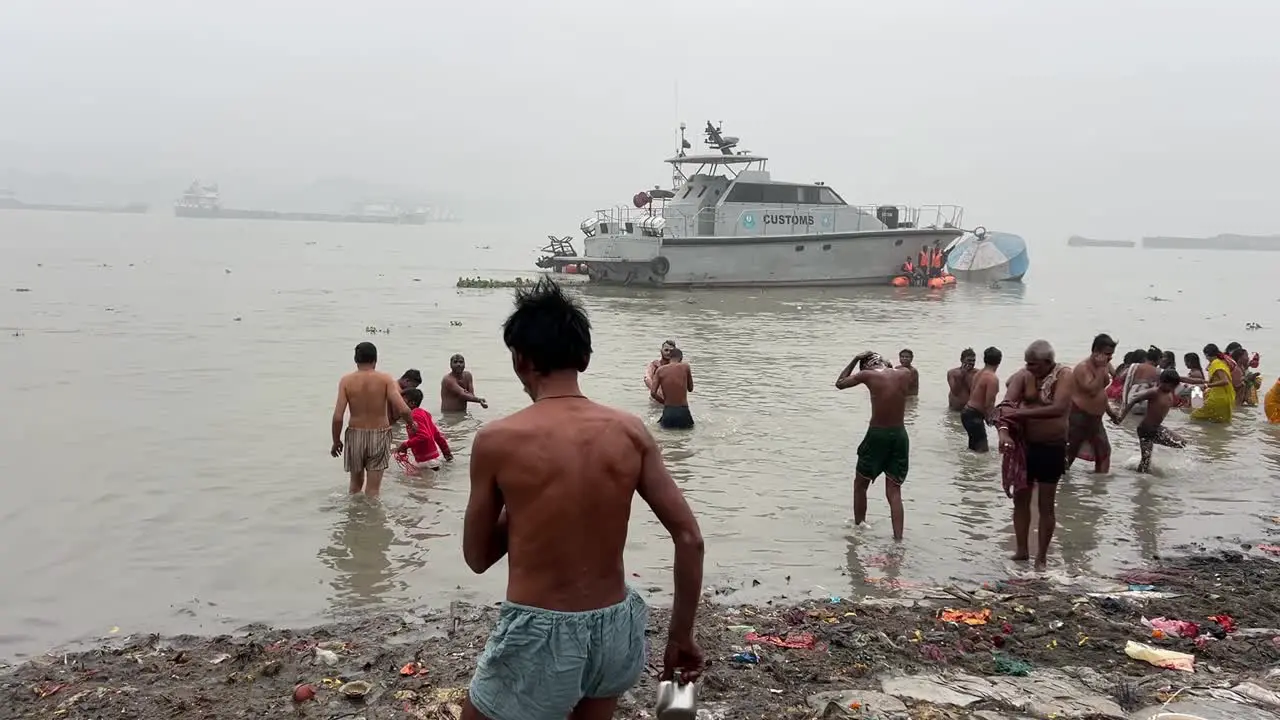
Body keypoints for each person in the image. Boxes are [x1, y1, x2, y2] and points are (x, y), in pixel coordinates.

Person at [462, 279, 704, 720]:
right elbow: (689, 537)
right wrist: (680, 637)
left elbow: (477, 557)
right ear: (585, 359)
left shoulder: (497, 439)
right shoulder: (631, 430)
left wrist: (527, 506)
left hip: (540, 632)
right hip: (615, 626)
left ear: (520, 360)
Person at [995, 340, 1074, 571]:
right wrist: (1003, 431)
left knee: (1046, 505)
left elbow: (1059, 408)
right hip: (1024, 448)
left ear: (1048, 363)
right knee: (1020, 502)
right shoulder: (1023, 375)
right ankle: (1021, 551)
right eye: (1027, 363)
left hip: (1052, 447)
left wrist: (1020, 414)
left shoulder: (1064, 375)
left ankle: (1041, 558)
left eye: (1034, 365)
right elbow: (1006, 405)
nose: (1030, 368)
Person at [835, 351, 914, 540]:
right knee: (894, 490)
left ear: (866, 365)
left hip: (878, 434)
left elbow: (840, 383)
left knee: (860, 484)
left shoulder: (867, 374)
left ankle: (859, 526)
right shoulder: (905, 373)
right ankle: (898, 540)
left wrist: (854, 358)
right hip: (900, 435)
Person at [331, 342, 418, 498]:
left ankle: (353, 520)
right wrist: (412, 424)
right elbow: (403, 409)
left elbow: (338, 417)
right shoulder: (385, 380)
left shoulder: (346, 381)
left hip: (355, 435)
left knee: (354, 487)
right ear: (375, 360)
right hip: (379, 435)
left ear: (355, 360)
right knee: (373, 491)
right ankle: (373, 521)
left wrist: (336, 441)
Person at [1113, 369, 1186, 473]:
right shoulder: (1154, 392)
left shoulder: (1169, 392)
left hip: (1156, 428)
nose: (1172, 388)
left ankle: (1137, 465)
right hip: (1146, 429)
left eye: (1174, 386)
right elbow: (1133, 400)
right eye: (1170, 385)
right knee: (1145, 463)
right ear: (1162, 382)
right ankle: (1140, 480)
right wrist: (1121, 417)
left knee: (1181, 443)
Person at [1067, 333, 1117, 474]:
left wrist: (1110, 412)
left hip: (1096, 419)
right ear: (1096, 352)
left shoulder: (1106, 364)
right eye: (1107, 354)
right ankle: (1062, 486)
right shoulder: (1083, 368)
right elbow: (1091, 390)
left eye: (1112, 354)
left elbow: (1103, 389)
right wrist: (1101, 369)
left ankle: (1099, 489)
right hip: (1079, 417)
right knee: (1070, 452)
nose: (1110, 357)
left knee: (1104, 452)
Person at [395, 388, 453, 472]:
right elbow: (437, 436)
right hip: (433, 460)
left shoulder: (414, 416)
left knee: (407, 480)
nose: (399, 405)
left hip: (425, 462)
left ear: (412, 403)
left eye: (402, 402)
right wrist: (447, 454)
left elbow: (423, 436)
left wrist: (405, 445)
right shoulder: (424, 414)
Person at [961, 346, 1002, 452]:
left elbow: (973, 394)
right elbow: (989, 402)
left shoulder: (979, 373)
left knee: (973, 449)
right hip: (974, 416)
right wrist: (990, 418)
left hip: (966, 412)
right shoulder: (992, 378)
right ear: (999, 361)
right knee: (982, 451)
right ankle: (976, 469)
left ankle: (967, 468)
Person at [1192, 343, 1236, 423]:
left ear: (1207, 355)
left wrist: (1206, 385)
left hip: (1218, 398)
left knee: (1194, 417)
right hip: (1225, 398)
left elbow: (1225, 381)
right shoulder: (1221, 362)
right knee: (1220, 423)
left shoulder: (1216, 363)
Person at [652, 347, 694, 429]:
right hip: (683, 411)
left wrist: (664, 402)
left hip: (668, 411)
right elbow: (690, 388)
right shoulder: (685, 367)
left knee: (666, 437)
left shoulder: (660, 370)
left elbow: (653, 393)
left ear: (669, 358)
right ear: (681, 358)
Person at [1121, 346, 1162, 415]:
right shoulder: (1158, 371)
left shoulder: (1134, 366)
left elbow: (1125, 380)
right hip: (1145, 403)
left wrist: (1124, 402)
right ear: (1158, 359)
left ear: (1146, 357)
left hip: (1131, 399)